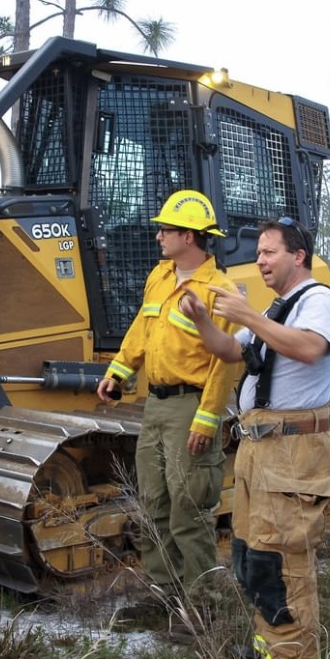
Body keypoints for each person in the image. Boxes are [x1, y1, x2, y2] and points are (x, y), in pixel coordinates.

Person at [178, 218, 330, 659]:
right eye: (259, 253)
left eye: (269, 252)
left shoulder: (317, 302)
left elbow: (311, 349)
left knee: (284, 557)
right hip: (259, 447)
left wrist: (248, 314)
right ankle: (266, 645)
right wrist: (203, 319)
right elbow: (232, 352)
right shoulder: (276, 309)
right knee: (252, 552)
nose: (260, 260)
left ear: (298, 257)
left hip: (293, 448)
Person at [97, 189, 241, 601]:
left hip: (189, 407)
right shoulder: (159, 278)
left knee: (188, 509)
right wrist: (118, 372)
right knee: (154, 503)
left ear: (190, 237)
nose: (159, 235)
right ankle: (164, 595)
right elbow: (141, 333)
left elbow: (224, 364)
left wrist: (207, 417)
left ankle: (202, 603)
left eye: (166, 230)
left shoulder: (220, 291)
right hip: (155, 406)